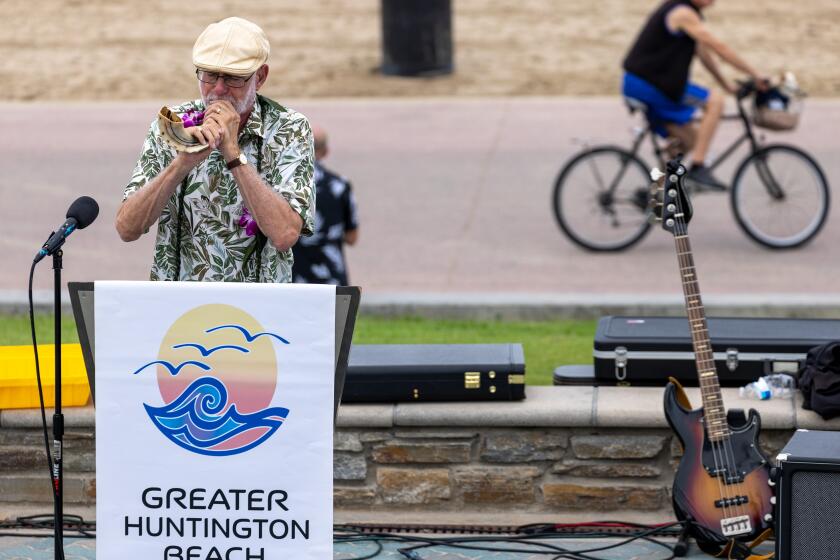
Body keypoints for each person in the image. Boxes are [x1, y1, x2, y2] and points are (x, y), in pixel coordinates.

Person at [115, 17, 315, 282]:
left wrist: (233, 153)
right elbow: (127, 228)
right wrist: (182, 163)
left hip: (259, 310)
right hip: (178, 306)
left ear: (261, 77)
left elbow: (285, 234)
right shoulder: (172, 124)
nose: (218, 89)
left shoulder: (290, 128)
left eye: (233, 78)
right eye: (209, 75)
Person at [622, 0, 768, 190]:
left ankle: (654, 193)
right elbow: (719, 47)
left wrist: (727, 85)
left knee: (689, 140)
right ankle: (698, 167)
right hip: (649, 85)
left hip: (647, 84)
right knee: (715, 102)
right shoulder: (682, 13)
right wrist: (756, 75)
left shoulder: (688, 15)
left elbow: (704, 54)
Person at [292, 126, 359, 286]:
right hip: (331, 273)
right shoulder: (340, 186)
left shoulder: (285, 186)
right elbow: (352, 237)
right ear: (326, 151)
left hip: (295, 273)